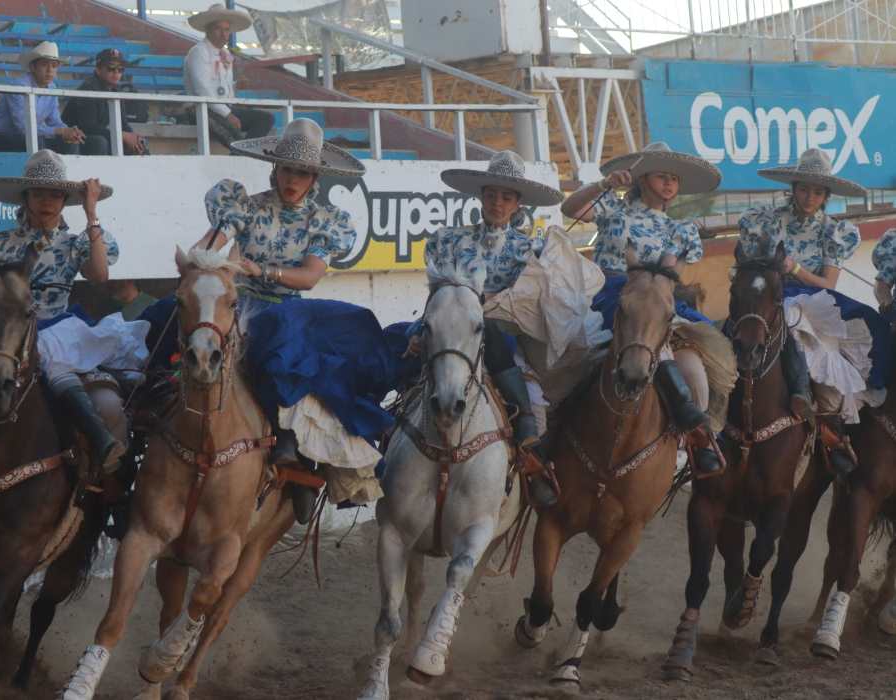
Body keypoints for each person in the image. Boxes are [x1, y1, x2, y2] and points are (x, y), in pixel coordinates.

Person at [141, 118, 392, 523]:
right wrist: (204, 259)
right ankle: (150, 397)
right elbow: (211, 247)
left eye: (304, 172)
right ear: (274, 168)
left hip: (285, 307)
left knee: (285, 340)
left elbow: (310, 277)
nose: (294, 179)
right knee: (164, 313)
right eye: (289, 169)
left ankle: (294, 455)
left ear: (316, 177)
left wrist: (263, 272)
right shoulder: (244, 206)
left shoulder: (325, 219)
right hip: (235, 298)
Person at [0, 150, 150, 483]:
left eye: (55, 193)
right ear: (25, 197)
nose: (47, 201)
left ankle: (107, 486)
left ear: (65, 200)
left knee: (109, 407)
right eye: (38, 192)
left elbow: (100, 274)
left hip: (62, 333)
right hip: (6, 335)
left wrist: (92, 213)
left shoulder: (75, 243)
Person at [403, 150, 564, 508]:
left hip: (504, 334)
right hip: (448, 327)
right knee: (395, 359)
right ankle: (379, 447)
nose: (497, 202)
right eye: (491, 194)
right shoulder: (448, 239)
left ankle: (528, 448)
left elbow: (529, 303)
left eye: (506, 197)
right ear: (481, 197)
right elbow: (437, 296)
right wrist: (422, 330)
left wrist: (491, 300)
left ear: (517, 203)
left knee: (534, 395)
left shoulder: (531, 249)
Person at [562, 141, 727, 474]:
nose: (668, 184)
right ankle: (550, 427)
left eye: (674, 179)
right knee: (569, 353)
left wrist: (657, 298)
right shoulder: (614, 208)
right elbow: (572, 210)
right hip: (610, 292)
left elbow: (674, 276)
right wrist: (604, 184)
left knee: (705, 357)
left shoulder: (682, 230)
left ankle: (694, 438)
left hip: (660, 299)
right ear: (642, 179)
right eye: (661, 176)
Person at [740, 148, 889, 475]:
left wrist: (794, 269)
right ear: (793, 188)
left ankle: (837, 426)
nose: (810, 197)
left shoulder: (834, 231)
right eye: (804, 188)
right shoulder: (767, 220)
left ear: (826, 196)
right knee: (735, 331)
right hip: (770, 294)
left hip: (814, 296)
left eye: (818, 191)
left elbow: (828, 283)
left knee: (874, 323)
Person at [184, 3, 274, 146]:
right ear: (208, 30)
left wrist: (236, 86)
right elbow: (202, 91)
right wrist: (228, 114)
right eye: (218, 29)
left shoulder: (225, 54)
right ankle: (243, 156)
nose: (223, 33)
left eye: (226, 29)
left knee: (266, 118)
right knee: (235, 140)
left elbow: (220, 89)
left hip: (224, 108)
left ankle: (243, 155)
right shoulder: (198, 52)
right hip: (202, 110)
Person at [0, 42, 85, 154]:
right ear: (32, 67)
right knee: (39, 142)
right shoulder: (19, 87)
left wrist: (69, 131)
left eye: (54, 65)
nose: (49, 70)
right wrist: (60, 131)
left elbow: (55, 121)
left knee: (70, 142)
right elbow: (23, 127)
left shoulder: (52, 88)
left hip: (26, 137)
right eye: (44, 64)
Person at [61, 48, 147, 156]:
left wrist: (134, 137)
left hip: (94, 135)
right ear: (98, 69)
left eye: (120, 69)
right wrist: (122, 135)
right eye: (111, 68)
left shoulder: (115, 91)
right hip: (74, 138)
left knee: (140, 143)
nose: (116, 72)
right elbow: (88, 127)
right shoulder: (88, 88)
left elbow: (123, 124)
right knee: (100, 142)